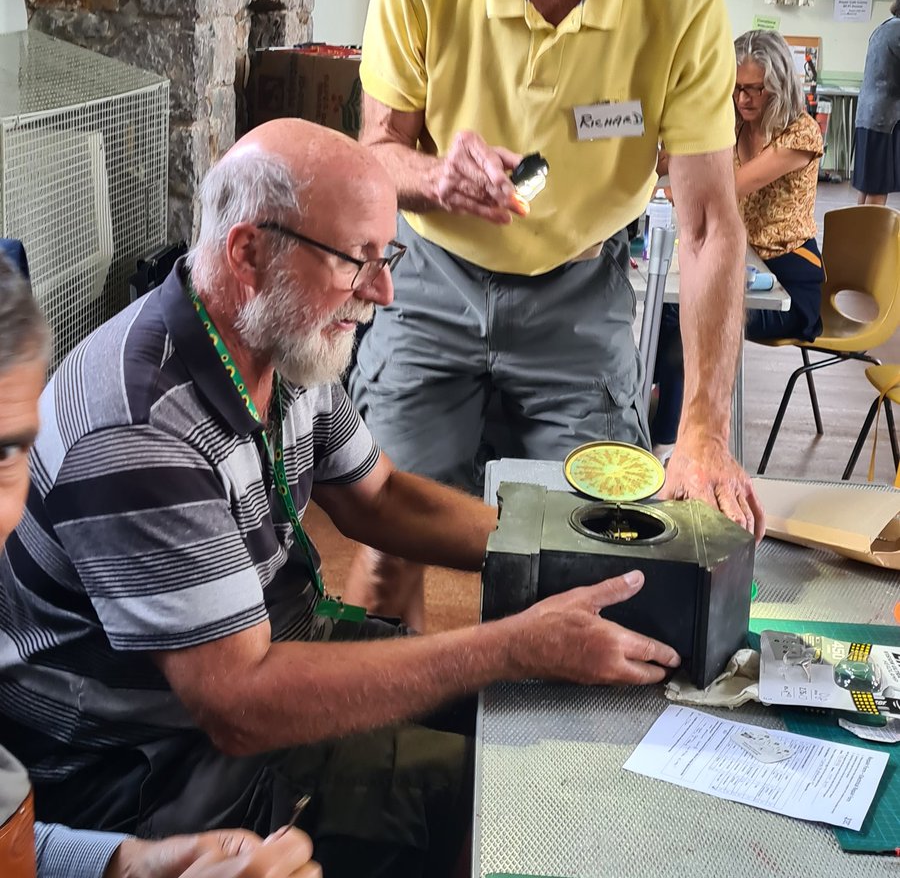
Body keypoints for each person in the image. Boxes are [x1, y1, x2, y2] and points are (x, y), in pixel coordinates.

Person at [0, 120, 679, 878]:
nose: (383, 292)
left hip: (279, 659)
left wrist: (572, 539)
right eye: (358, 261)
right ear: (249, 253)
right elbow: (240, 703)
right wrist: (512, 642)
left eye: (387, 256)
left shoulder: (279, 339)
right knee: (524, 793)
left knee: (540, 704)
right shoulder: (137, 429)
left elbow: (380, 497)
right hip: (163, 779)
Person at [345, 0, 762, 626]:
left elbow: (710, 227)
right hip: (432, 279)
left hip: (582, 294)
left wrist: (704, 431)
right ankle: (384, 758)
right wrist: (432, 175)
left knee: (606, 558)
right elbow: (373, 154)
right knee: (389, 557)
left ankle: (562, 763)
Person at [0, 256, 320, 878]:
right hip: (133, 773)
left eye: (8, 450)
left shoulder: (299, 362)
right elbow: (236, 696)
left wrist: (126, 865)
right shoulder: (132, 418)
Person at [652, 31, 825, 451]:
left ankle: (663, 436)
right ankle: (651, 408)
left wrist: (674, 187)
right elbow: (667, 160)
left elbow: (730, 187)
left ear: (779, 86)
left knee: (681, 316)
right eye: (735, 88)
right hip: (742, 266)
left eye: (754, 89)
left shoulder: (798, 135)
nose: (743, 99)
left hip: (790, 281)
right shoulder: (729, 123)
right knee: (670, 308)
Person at [853, 0, 900, 206]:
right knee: (878, 188)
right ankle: (869, 239)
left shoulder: (885, 27)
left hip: (867, 116)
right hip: (885, 120)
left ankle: (858, 236)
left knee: (868, 186)